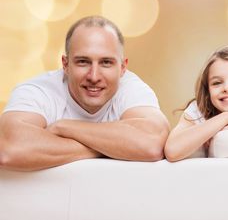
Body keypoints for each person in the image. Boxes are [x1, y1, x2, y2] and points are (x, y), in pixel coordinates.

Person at [0, 16, 169, 171]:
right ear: (65, 65)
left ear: (122, 68)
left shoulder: (132, 89)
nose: (94, 76)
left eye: (106, 63)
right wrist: (115, 148)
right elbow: (9, 150)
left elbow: (152, 144)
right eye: (83, 62)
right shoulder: (37, 91)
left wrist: (64, 127)